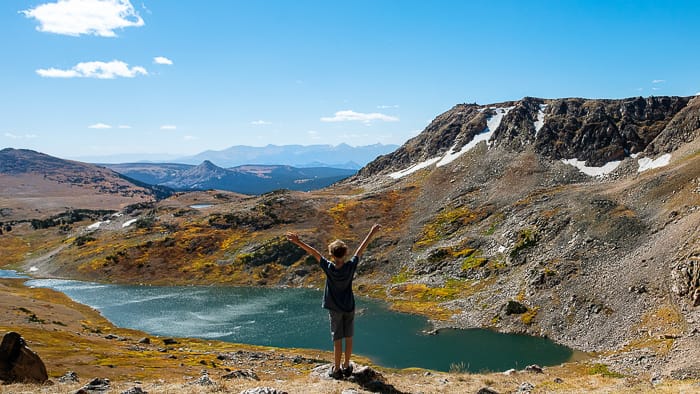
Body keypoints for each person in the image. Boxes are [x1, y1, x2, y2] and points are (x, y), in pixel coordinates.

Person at [286, 224, 381, 379]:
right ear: (345, 253)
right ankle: (346, 366)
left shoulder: (328, 267)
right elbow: (361, 249)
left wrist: (298, 242)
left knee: (337, 338)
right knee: (349, 336)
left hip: (334, 308)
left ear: (331, 254)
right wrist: (371, 232)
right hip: (349, 306)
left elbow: (314, 253)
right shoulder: (351, 266)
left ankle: (336, 369)